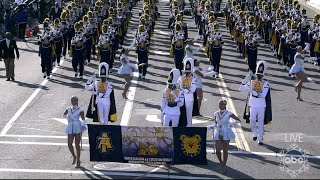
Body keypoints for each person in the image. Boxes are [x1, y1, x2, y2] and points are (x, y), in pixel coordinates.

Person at [239, 60, 271, 145]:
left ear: (263, 75)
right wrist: (246, 78)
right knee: (252, 120)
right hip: (252, 104)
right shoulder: (252, 82)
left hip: (261, 105)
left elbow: (263, 95)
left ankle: (260, 139)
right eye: (258, 75)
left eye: (260, 75)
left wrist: (253, 91)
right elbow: (241, 88)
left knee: (260, 122)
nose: (259, 76)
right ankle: (254, 133)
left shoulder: (266, 83)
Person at [208, 99, 241, 174]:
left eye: (222, 104)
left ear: (225, 105)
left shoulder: (229, 113)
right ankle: (221, 162)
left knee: (225, 150)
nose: (220, 105)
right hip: (218, 132)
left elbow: (238, 120)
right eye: (219, 104)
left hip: (226, 132)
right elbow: (216, 124)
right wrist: (211, 127)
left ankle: (224, 165)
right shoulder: (216, 113)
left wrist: (229, 124)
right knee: (218, 150)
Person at [63, 96, 86, 168]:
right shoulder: (68, 108)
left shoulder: (80, 110)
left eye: (74, 100)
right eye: (72, 101)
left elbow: (83, 119)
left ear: (77, 101)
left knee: (77, 145)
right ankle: (74, 156)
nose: (73, 102)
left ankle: (78, 160)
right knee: (69, 144)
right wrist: (68, 119)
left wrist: (82, 126)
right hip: (70, 126)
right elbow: (64, 115)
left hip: (77, 127)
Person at [177, 58, 197, 127]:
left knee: (188, 115)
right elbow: (177, 87)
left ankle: (189, 128)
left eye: (188, 72)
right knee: (180, 114)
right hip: (181, 98)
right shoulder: (180, 78)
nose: (187, 73)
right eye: (186, 71)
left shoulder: (193, 79)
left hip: (189, 99)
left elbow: (193, 89)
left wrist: (185, 90)